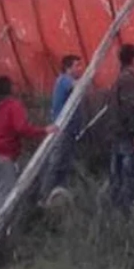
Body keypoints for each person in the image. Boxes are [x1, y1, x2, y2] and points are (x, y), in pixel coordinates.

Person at [0, 76, 57, 233]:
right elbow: (21, 128)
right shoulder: (12, 106)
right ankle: (0, 233)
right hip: (3, 158)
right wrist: (43, 130)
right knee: (3, 196)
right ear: (9, 89)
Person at [109, 44, 134, 211]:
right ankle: (129, 206)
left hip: (119, 131)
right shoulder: (129, 80)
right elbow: (130, 107)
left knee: (119, 170)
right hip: (127, 134)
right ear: (133, 60)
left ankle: (118, 205)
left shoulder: (121, 77)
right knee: (129, 170)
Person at [42, 55, 83, 205]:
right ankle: (45, 196)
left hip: (69, 130)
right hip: (62, 130)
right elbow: (77, 86)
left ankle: (58, 196)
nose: (80, 69)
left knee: (64, 163)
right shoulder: (64, 80)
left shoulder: (64, 80)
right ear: (68, 68)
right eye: (77, 66)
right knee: (56, 162)